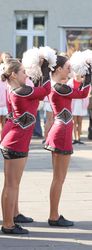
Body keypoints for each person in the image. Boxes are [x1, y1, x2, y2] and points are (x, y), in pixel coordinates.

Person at [0, 58, 51, 234]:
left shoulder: (20, 89)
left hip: (16, 140)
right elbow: (46, 90)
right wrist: (45, 69)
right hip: (16, 142)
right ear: (13, 74)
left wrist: (39, 73)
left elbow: (39, 92)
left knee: (12, 183)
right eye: (23, 72)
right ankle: (8, 224)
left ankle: (13, 215)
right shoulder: (21, 90)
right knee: (11, 185)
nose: (26, 74)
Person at [44, 55, 91, 227]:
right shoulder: (58, 87)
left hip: (60, 130)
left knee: (58, 178)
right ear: (57, 69)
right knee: (59, 178)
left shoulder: (58, 86)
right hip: (62, 133)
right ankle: (54, 216)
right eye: (67, 67)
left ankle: (54, 214)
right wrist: (89, 73)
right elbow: (83, 93)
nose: (69, 70)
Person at [67, 73, 89, 144]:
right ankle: (74, 138)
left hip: (81, 103)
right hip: (73, 104)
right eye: (76, 73)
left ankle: (79, 138)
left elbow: (88, 91)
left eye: (78, 73)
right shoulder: (70, 82)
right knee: (74, 122)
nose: (77, 74)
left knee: (80, 122)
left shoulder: (84, 82)